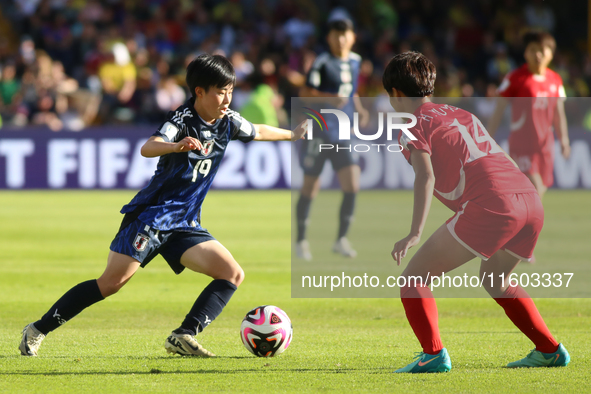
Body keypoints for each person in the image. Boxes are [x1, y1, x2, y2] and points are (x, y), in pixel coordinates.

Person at [19, 54, 307, 357]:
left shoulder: (228, 121)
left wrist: (292, 134)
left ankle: (184, 335)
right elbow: (148, 147)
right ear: (200, 91)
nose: (227, 99)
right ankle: (37, 329)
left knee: (231, 274)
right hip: (152, 218)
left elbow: (258, 130)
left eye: (230, 91)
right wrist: (176, 146)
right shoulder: (181, 119)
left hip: (184, 223)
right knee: (110, 284)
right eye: (221, 92)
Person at [383, 52, 569, 373]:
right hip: (528, 198)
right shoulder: (462, 113)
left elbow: (425, 176)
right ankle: (549, 350)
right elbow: (499, 156)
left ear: (396, 94)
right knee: (496, 279)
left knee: (415, 277)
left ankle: (433, 355)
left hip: (492, 204)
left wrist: (415, 232)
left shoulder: (412, 125)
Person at [295, 18, 368, 261]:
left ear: (353, 37)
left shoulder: (356, 61)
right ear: (329, 38)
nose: (340, 39)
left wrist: (359, 108)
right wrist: (329, 98)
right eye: (336, 34)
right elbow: (305, 94)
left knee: (352, 185)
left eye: (345, 34)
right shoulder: (322, 62)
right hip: (320, 131)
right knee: (310, 187)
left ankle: (341, 239)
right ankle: (301, 241)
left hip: (344, 132)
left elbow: (352, 91)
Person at [488, 31, 569, 200]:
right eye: (533, 50)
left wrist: (564, 140)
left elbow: (559, 114)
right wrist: (488, 137)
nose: (537, 54)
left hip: (545, 145)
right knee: (536, 188)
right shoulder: (515, 78)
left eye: (542, 50)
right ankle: (525, 223)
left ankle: (518, 220)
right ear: (525, 53)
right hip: (522, 144)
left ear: (551, 53)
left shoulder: (555, 80)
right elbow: (499, 110)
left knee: (542, 187)